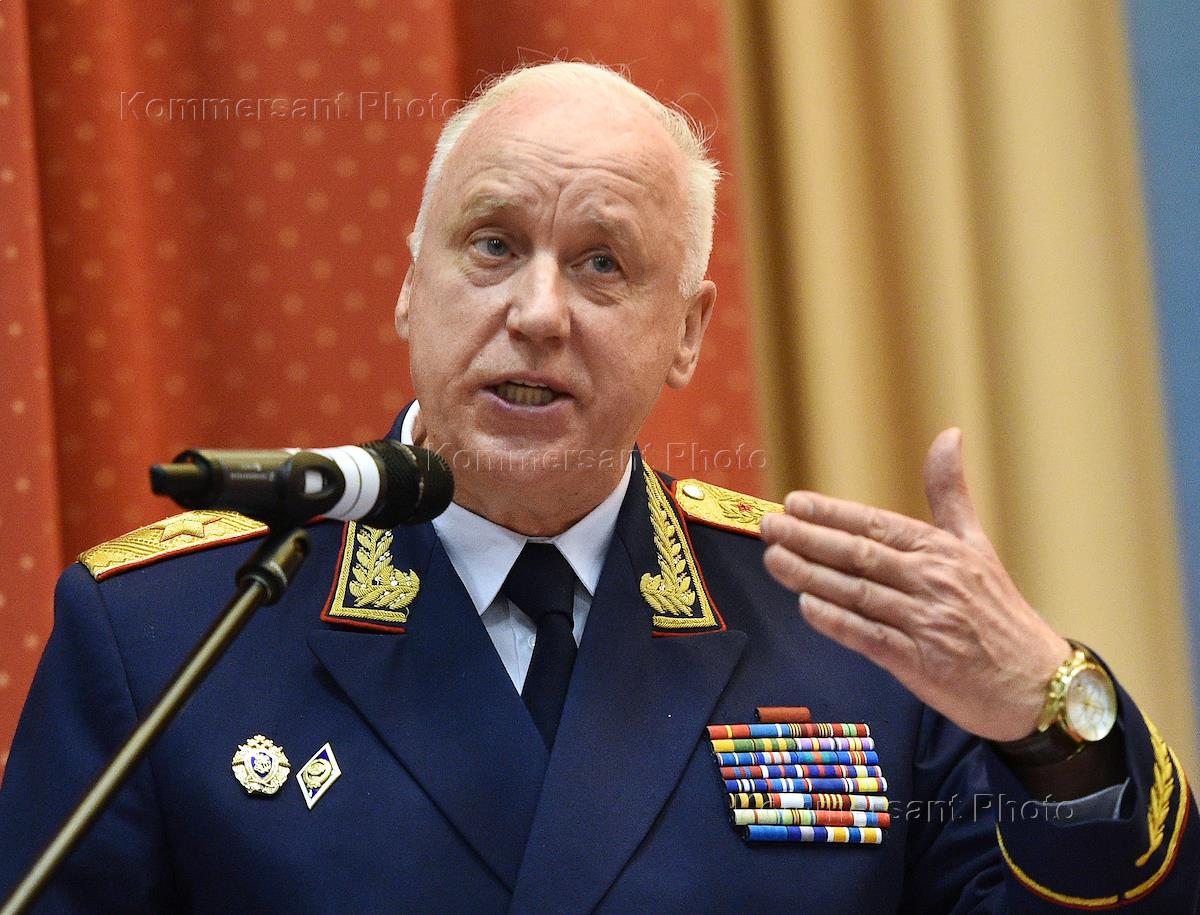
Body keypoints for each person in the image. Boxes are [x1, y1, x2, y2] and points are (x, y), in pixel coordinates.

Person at [1, 61, 1196, 913]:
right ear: (410, 286)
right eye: (492, 245)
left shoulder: (853, 635)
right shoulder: (166, 634)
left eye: (603, 264)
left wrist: (1054, 714)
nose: (537, 312)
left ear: (689, 332)